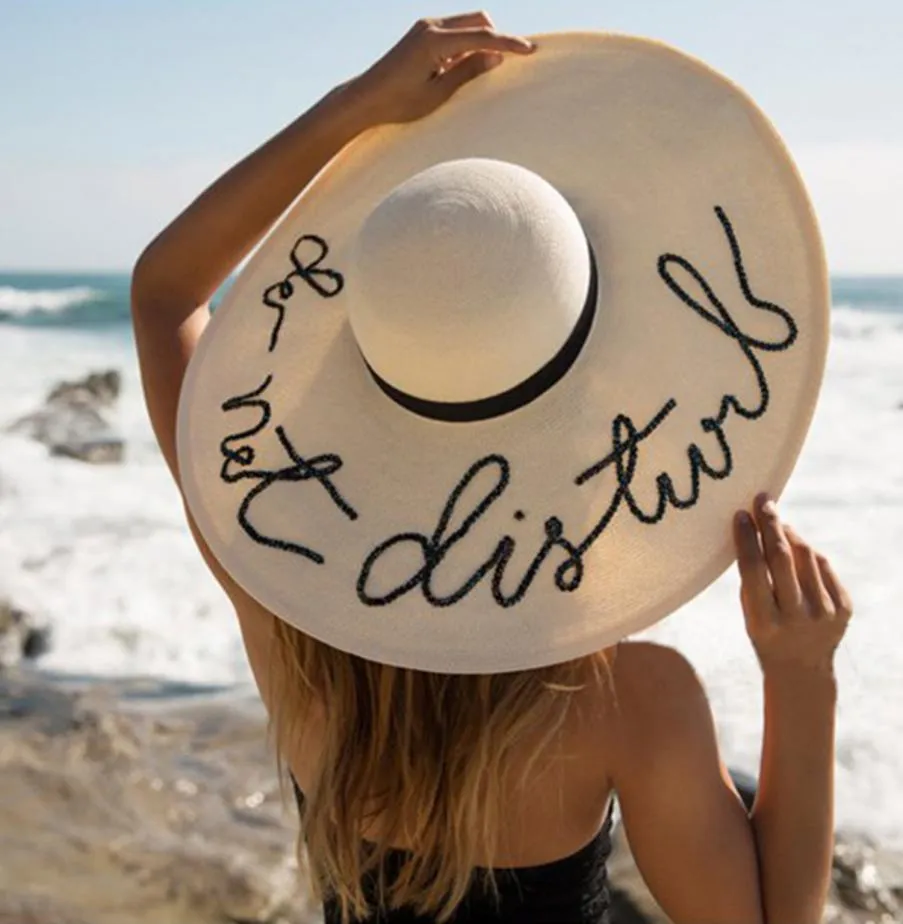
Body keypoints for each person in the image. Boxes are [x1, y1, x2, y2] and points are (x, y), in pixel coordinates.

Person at [130, 13, 852, 924]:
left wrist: (355, 110)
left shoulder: (279, 601)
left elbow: (163, 294)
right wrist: (803, 676)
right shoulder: (630, 701)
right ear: (593, 402)